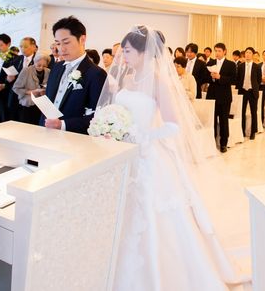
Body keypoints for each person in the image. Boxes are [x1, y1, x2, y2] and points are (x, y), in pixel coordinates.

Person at [98, 26, 243, 290]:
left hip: (149, 155)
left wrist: (142, 137)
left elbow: (173, 125)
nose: (122, 56)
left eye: (127, 51)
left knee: (158, 217)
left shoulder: (158, 82)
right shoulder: (127, 78)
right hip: (126, 155)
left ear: (143, 53)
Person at [41, 16, 107, 134]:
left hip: (73, 137)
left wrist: (63, 125)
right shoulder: (56, 67)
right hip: (46, 131)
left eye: (66, 42)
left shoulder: (97, 74)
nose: (61, 49)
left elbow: (98, 116)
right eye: (58, 43)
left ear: (82, 39)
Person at [206, 43, 236, 153]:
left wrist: (220, 77)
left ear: (224, 51)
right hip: (212, 96)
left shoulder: (231, 64)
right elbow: (205, 77)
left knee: (223, 121)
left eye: (219, 51)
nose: (217, 53)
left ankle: (224, 143)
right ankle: (212, 142)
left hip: (224, 97)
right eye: (216, 51)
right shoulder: (211, 63)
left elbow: (233, 80)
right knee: (212, 121)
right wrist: (211, 77)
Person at [12, 52, 51, 124]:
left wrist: (44, 91)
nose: (41, 68)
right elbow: (16, 88)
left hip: (42, 104)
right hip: (28, 104)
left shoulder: (48, 71)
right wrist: (31, 92)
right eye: (39, 65)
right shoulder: (26, 70)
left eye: (44, 66)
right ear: (34, 62)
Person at [236, 47, 261, 139]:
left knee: (253, 112)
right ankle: (242, 131)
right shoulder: (240, 66)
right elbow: (238, 78)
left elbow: (258, 80)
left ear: (253, 55)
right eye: (246, 52)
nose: (247, 54)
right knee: (242, 112)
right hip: (242, 91)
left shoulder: (257, 67)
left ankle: (253, 132)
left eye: (250, 53)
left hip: (252, 91)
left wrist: (253, 87)